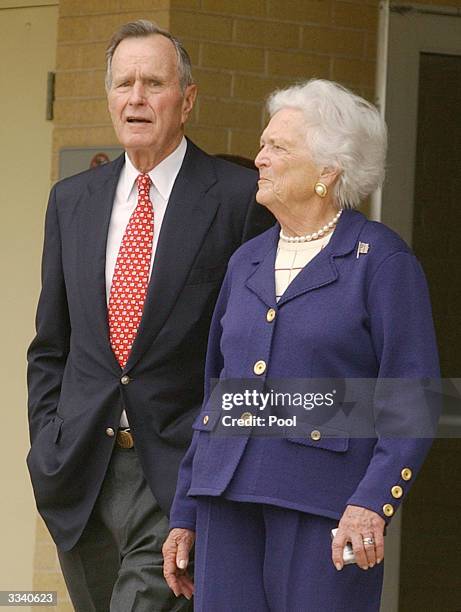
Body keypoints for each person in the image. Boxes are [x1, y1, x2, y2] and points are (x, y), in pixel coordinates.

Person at [163, 79, 440, 611]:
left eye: (277, 148)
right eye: (263, 145)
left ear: (328, 171)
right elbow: (218, 396)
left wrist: (372, 502)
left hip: (326, 508)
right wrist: (185, 512)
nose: (260, 158)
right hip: (227, 502)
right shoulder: (246, 259)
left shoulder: (380, 261)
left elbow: (414, 399)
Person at [26, 19, 272, 612]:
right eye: (123, 83)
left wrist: (213, 466)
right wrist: (46, 445)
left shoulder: (239, 199)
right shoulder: (70, 200)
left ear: (186, 101)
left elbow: (247, 355)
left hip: (175, 476)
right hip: (80, 472)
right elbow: (50, 345)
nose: (135, 98)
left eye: (153, 83)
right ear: (109, 95)